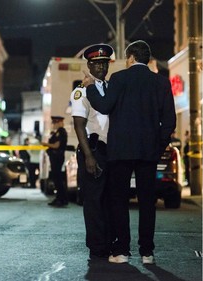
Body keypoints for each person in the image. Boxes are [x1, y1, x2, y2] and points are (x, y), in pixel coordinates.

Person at [83, 40, 176, 264]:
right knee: (147, 202)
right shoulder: (161, 83)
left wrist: (88, 87)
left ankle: (122, 251)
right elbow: (169, 121)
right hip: (148, 152)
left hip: (120, 151)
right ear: (148, 59)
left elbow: (104, 106)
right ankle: (147, 253)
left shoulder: (119, 79)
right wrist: (158, 145)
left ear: (131, 58)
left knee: (119, 201)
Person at [70, 43, 113, 260]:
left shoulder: (111, 89)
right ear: (89, 65)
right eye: (96, 64)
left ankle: (108, 241)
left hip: (111, 152)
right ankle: (97, 247)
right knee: (94, 201)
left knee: (109, 200)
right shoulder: (80, 92)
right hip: (93, 150)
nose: (101, 68)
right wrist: (88, 156)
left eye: (104, 63)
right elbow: (79, 125)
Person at [41, 116, 68, 207]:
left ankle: (61, 199)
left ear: (59, 122)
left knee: (58, 179)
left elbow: (56, 145)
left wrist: (45, 144)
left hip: (57, 157)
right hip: (55, 157)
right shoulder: (56, 132)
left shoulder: (61, 131)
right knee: (56, 178)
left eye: (55, 122)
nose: (53, 124)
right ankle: (60, 198)